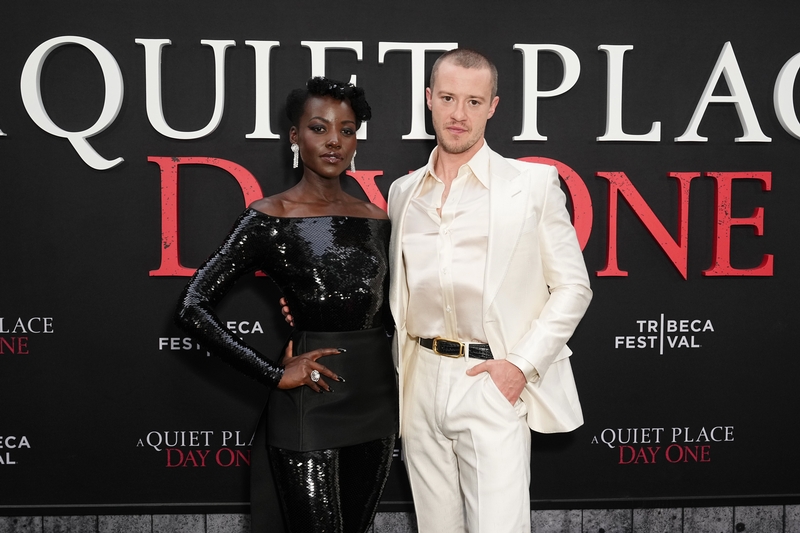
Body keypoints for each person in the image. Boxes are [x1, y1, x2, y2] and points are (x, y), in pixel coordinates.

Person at [175, 77, 398, 533]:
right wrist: (273, 373)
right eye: (319, 128)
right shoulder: (270, 217)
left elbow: (398, 308)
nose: (334, 141)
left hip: (377, 401)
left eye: (347, 130)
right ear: (295, 136)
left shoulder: (379, 219)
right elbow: (193, 305)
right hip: (310, 402)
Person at [386, 48, 592, 532]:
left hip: (489, 380)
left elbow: (573, 287)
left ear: (493, 107)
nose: (459, 114)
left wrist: (519, 366)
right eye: (448, 98)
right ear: (429, 99)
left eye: (474, 102)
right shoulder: (403, 192)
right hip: (418, 381)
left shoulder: (533, 184)